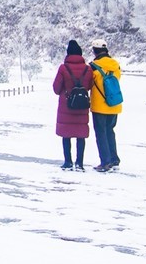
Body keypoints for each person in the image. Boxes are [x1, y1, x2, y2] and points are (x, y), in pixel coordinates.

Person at [51, 39, 92, 171]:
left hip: (66, 106)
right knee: (80, 135)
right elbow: (90, 85)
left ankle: (68, 162)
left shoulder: (63, 68)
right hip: (82, 106)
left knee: (66, 134)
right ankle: (79, 163)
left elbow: (56, 89)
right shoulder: (88, 69)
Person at [89, 39, 123, 172]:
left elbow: (89, 83)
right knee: (110, 131)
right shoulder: (115, 64)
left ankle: (105, 162)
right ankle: (114, 160)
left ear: (95, 51)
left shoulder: (93, 66)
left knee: (101, 133)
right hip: (114, 104)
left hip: (99, 105)